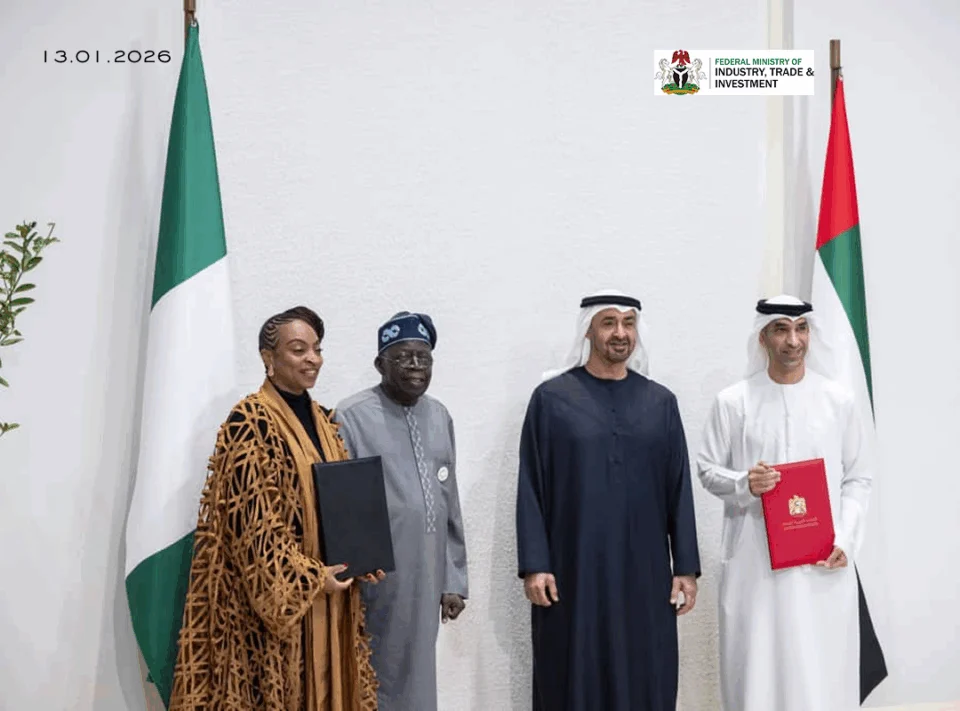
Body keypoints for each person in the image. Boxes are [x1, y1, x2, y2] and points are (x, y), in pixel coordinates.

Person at [168, 306, 383, 711]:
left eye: (317, 349)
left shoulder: (325, 421)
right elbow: (251, 531)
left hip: (330, 601)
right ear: (268, 358)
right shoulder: (249, 422)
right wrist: (311, 578)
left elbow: (340, 504)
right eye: (299, 350)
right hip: (273, 615)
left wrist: (361, 558)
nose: (313, 359)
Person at [515, 290, 701, 711]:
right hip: (573, 570)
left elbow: (679, 487)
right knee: (572, 669)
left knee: (645, 670)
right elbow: (531, 486)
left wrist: (686, 568)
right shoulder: (552, 400)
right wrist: (536, 564)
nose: (620, 333)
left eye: (628, 323)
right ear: (588, 330)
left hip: (645, 574)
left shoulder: (661, 403)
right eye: (609, 322)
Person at [696, 294, 877, 711]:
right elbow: (706, 470)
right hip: (755, 567)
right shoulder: (734, 402)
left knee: (821, 668)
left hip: (823, 564)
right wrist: (744, 482)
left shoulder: (838, 401)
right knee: (759, 666)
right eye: (781, 329)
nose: (793, 341)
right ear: (762, 337)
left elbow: (858, 477)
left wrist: (845, 539)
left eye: (801, 329)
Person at [333, 311, 468, 711]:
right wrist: (356, 570)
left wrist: (453, 579)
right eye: (403, 357)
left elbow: (448, 502)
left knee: (420, 671)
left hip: (428, 571)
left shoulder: (439, 415)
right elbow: (341, 505)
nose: (415, 366)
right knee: (378, 672)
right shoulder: (351, 416)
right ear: (380, 364)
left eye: (423, 358)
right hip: (378, 576)